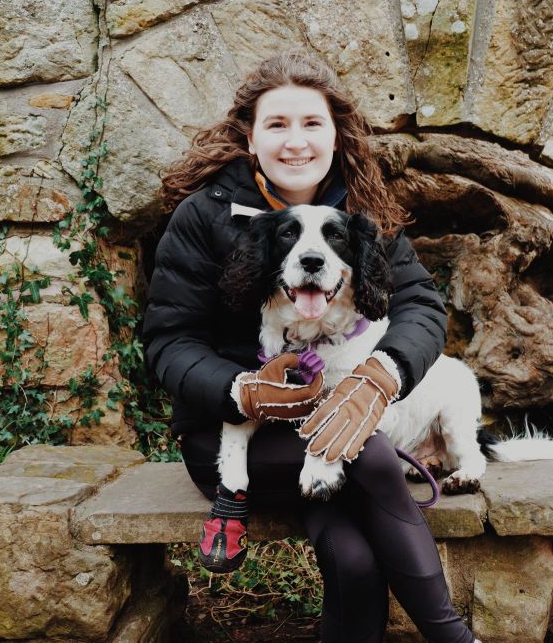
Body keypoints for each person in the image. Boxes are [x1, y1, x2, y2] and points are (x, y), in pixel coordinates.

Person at [142, 51, 480, 643]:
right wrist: (237, 389)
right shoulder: (203, 217)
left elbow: (421, 309)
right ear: (249, 139)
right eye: (276, 125)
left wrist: (381, 374)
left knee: (354, 557)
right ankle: (453, 637)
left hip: (332, 433)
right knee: (371, 455)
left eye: (311, 124)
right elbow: (169, 340)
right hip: (236, 439)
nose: (294, 142)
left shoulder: (362, 212)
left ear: (335, 135)